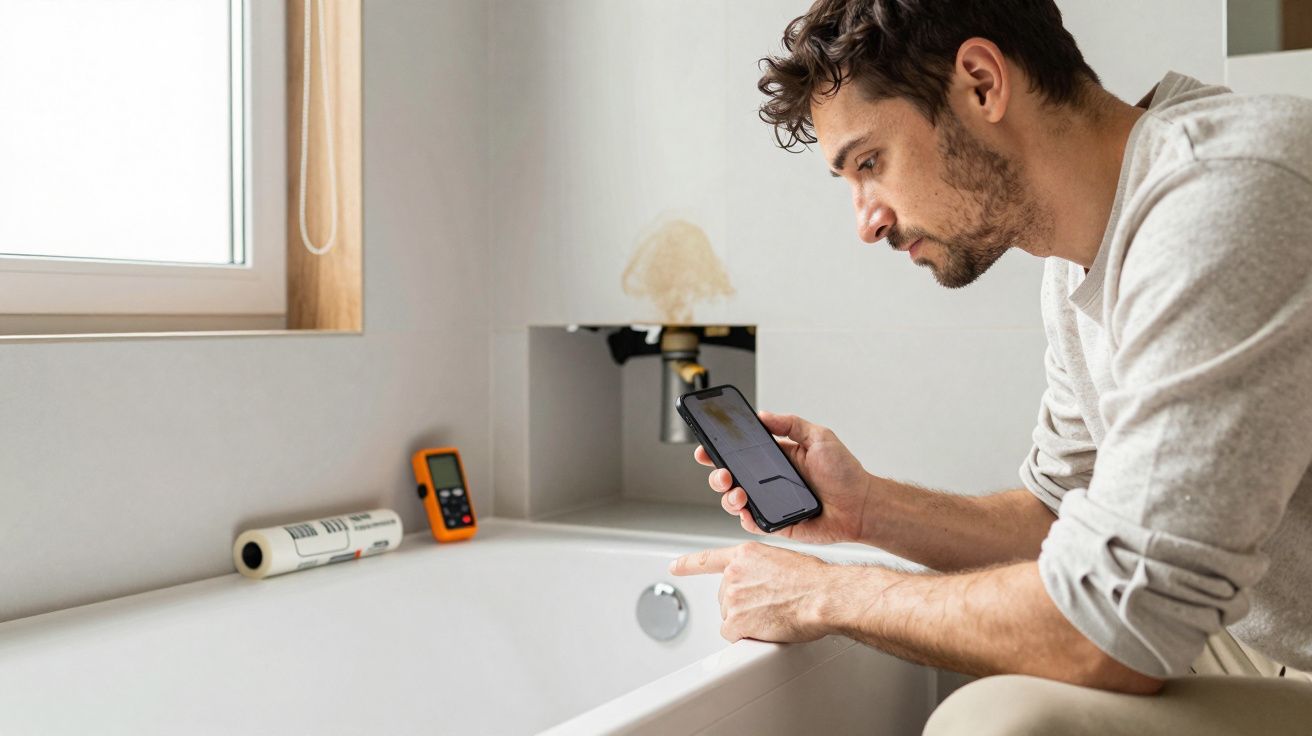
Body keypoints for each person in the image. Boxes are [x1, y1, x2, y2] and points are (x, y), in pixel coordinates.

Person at [668, 1, 1312, 733]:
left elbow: (1116, 631)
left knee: (998, 722)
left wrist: (823, 597)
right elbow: (1060, 515)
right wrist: (866, 509)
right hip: (1266, 639)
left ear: (980, 82)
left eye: (870, 163)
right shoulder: (1080, 261)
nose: (866, 221)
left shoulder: (1224, 194)